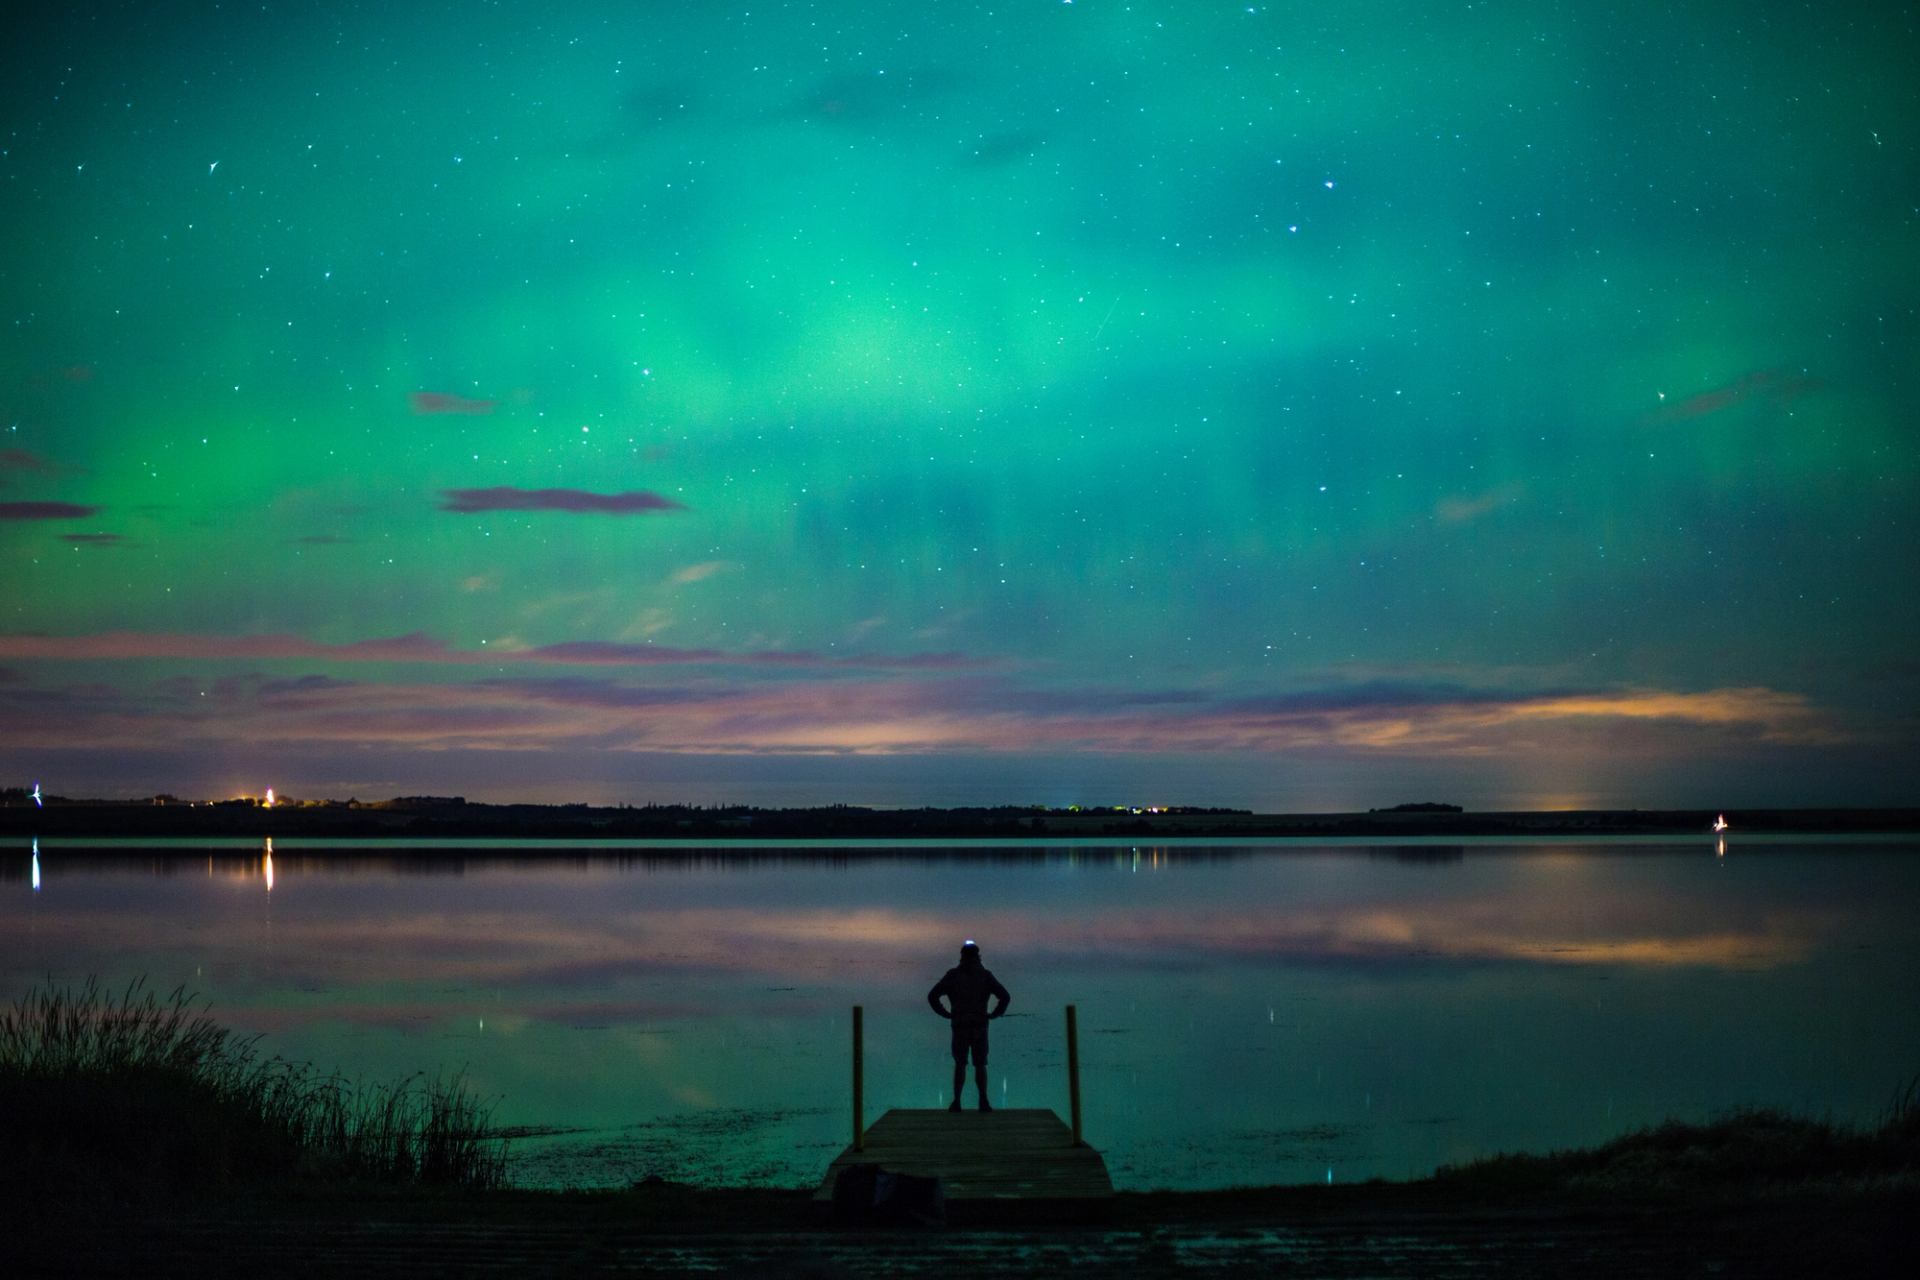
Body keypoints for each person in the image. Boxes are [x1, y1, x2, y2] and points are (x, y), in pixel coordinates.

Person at [926, 939, 1010, 1112]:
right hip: (980, 1025)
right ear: (978, 956)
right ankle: (983, 1101)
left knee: (960, 1064)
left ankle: (957, 1101)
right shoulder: (985, 975)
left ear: (962, 956)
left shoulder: (953, 975)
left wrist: (945, 1013)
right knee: (980, 1064)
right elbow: (1005, 996)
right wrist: (995, 1014)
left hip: (960, 1025)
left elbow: (933, 996)